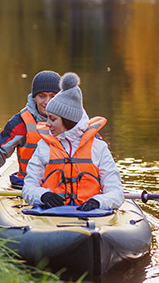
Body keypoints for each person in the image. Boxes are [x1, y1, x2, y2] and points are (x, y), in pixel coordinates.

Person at [22, 72, 124, 211]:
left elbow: (116, 193)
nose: (47, 124)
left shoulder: (98, 147)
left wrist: (98, 202)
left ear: (67, 120)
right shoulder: (43, 146)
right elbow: (29, 187)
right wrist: (43, 195)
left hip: (92, 215)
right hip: (50, 214)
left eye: (52, 119)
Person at [0, 70, 61, 194]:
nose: (47, 102)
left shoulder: (73, 120)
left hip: (64, 188)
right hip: (28, 187)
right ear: (34, 97)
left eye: (53, 96)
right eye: (42, 96)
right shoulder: (21, 123)